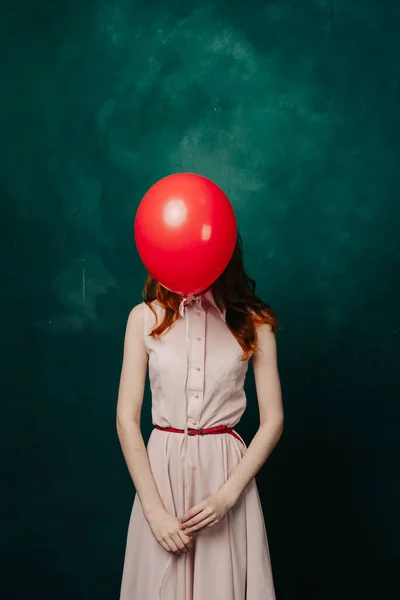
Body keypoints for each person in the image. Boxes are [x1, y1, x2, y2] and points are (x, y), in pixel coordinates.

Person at [117, 233, 284, 600]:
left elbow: (273, 420)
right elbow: (126, 419)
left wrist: (227, 496)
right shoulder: (144, 318)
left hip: (225, 474)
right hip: (160, 475)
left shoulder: (255, 322)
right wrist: (153, 511)